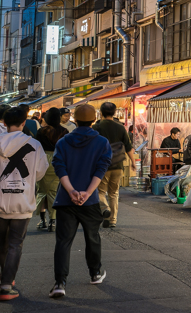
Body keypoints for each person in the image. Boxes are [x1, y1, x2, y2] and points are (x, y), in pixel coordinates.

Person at [0, 106, 49, 302]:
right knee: (15, 243)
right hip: (23, 200)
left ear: (3, 123)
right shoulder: (34, 144)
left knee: (3, 242)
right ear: (24, 123)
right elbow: (40, 172)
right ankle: (7, 284)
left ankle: (6, 275)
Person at [50, 104, 112, 299]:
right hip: (90, 200)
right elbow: (101, 169)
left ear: (74, 120)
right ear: (94, 120)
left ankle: (60, 283)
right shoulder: (102, 142)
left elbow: (59, 167)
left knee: (63, 241)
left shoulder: (63, 141)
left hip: (65, 199)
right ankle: (95, 273)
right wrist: (87, 193)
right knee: (92, 237)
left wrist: (71, 191)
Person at [92, 102, 136, 229]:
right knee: (114, 193)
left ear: (101, 112)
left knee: (100, 192)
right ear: (114, 112)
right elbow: (128, 146)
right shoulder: (120, 127)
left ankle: (105, 209)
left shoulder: (96, 127)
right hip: (117, 165)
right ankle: (113, 220)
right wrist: (133, 162)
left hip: (102, 165)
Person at [35, 108, 68, 232]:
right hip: (58, 161)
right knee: (54, 192)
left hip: (42, 161)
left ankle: (43, 220)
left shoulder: (41, 131)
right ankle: (53, 221)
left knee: (42, 191)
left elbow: (36, 147)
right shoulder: (64, 131)